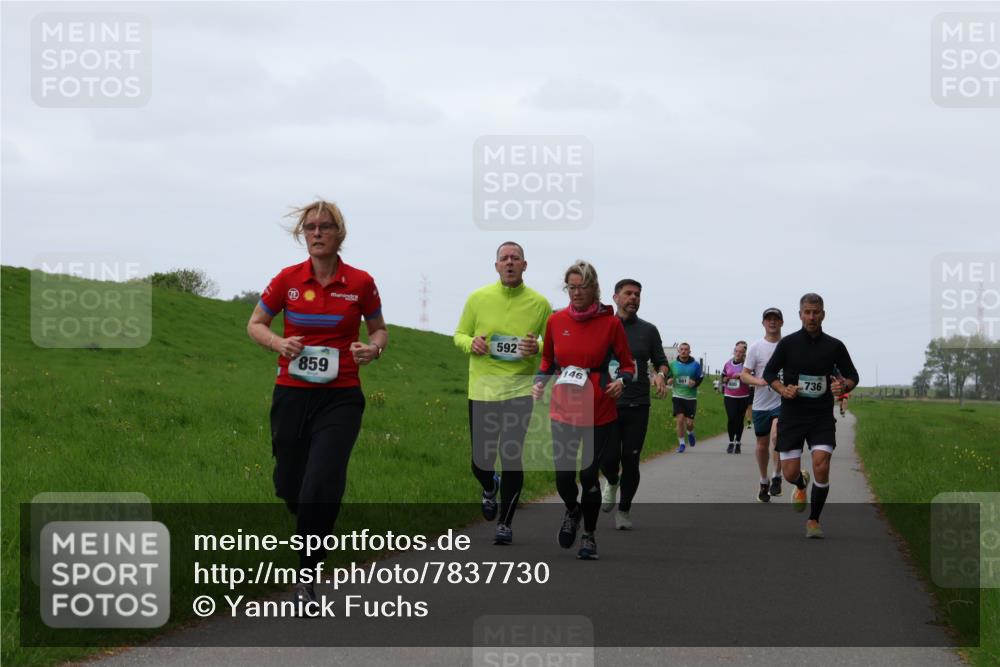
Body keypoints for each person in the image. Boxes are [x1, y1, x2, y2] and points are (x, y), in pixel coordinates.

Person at [247, 199, 387, 607]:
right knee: (290, 483)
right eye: (310, 227)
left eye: (325, 226)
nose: (317, 233)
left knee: (322, 479)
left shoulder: (360, 283)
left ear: (339, 234)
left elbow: (380, 330)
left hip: (341, 396)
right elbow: (255, 323)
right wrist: (279, 342)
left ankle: (307, 569)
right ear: (302, 234)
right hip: (292, 392)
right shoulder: (288, 280)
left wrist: (372, 350)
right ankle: (308, 514)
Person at [532, 261, 635, 560]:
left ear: (594, 288)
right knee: (564, 477)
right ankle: (572, 510)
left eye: (582, 287)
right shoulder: (555, 321)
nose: (576, 293)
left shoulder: (611, 323)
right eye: (571, 287)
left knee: (588, 475)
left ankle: (589, 536)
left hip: (599, 409)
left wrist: (622, 382)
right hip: (563, 407)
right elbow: (547, 361)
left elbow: (628, 365)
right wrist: (539, 383)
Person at [454, 242, 551, 545]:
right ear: (495, 265)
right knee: (481, 461)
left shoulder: (540, 304)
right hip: (482, 389)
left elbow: (555, 348)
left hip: (519, 390)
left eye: (515, 258)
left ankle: (505, 523)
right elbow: (459, 335)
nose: (509, 263)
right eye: (504, 258)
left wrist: (538, 347)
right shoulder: (478, 298)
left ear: (525, 265)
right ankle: (488, 486)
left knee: (511, 455)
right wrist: (473, 344)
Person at [763, 293, 859, 538]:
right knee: (789, 473)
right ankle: (800, 483)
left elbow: (852, 376)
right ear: (800, 315)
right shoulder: (788, 344)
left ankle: (814, 521)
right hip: (793, 415)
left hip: (821, 417)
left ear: (823, 314)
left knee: (821, 464)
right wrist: (783, 389)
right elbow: (770, 373)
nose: (811, 317)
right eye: (807, 312)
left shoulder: (834, 346)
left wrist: (843, 386)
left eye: (816, 312)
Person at [599, 279, 669, 530]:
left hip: (637, 404)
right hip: (606, 403)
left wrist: (661, 374)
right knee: (606, 458)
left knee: (631, 459)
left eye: (637, 294)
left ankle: (624, 510)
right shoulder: (603, 326)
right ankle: (612, 480)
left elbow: (661, 361)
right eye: (628, 294)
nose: (633, 298)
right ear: (615, 297)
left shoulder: (648, 331)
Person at [741, 308, 786, 503]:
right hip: (761, 403)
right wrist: (759, 382)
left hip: (782, 401)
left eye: (776, 319)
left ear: (781, 322)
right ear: (763, 323)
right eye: (769, 319)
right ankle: (763, 480)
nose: (772, 322)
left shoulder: (788, 345)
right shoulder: (756, 347)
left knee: (778, 436)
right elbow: (744, 374)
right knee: (762, 444)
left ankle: (777, 476)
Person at [667, 343, 703, 452]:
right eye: (681, 349)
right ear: (678, 351)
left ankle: (690, 433)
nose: (683, 351)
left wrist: (695, 383)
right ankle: (682, 444)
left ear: (689, 351)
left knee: (689, 423)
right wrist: (668, 380)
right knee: (680, 419)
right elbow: (668, 377)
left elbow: (700, 377)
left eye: (686, 349)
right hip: (677, 396)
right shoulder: (673, 364)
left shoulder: (696, 365)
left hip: (691, 397)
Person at [721, 341, 751, 455]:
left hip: (743, 396)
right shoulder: (727, 364)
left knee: (739, 420)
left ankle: (738, 442)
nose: (738, 354)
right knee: (731, 418)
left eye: (741, 352)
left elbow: (751, 377)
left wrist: (741, 375)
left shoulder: (747, 366)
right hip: (730, 395)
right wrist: (725, 379)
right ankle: (730, 442)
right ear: (733, 351)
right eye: (736, 351)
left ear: (744, 354)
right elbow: (723, 376)